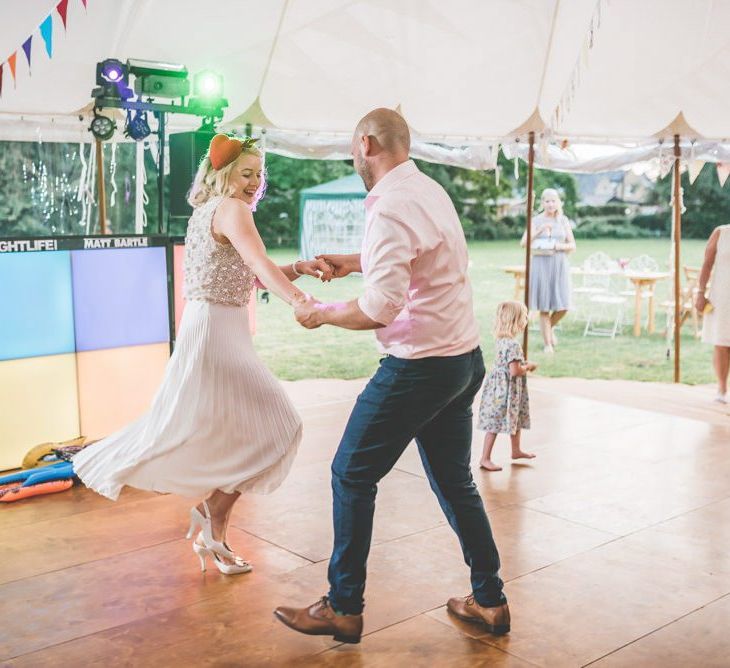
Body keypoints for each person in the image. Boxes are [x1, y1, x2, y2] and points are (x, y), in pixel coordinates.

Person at [273, 108, 509, 644]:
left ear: (367, 143)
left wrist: (320, 313)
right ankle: (490, 600)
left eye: (352, 147)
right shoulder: (427, 189)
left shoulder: (388, 207)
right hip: (462, 360)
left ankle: (342, 606)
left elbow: (379, 308)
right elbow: (418, 260)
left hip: (418, 367)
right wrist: (357, 261)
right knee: (456, 481)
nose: (351, 155)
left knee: (351, 474)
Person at [73, 135, 332, 574]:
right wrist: (300, 300)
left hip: (210, 325)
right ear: (224, 174)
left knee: (239, 433)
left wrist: (297, 267)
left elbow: (239, 271)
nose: (255, 182)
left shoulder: (206, 212)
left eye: (259, 173)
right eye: (247, 173)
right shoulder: (233, 209)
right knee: (278, 425)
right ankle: (212, 519)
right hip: (217, 333)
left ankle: (213, 530)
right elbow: (258, 266)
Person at [478, 302, 537, 471]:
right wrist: (528, 367)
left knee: (515, 416)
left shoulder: (501, 341)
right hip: (506, 390)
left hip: (499, 387)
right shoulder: (513, 345)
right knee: (496, 422)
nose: (526, 320)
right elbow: (515, 371)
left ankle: (516, 450)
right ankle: (485, 458)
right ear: (517, 321)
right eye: (524, 316)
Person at [521, 188, 576, 353]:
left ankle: (548, 328)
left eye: (554, 200)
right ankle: (548, 344)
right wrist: (539, 230)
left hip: (559, 266)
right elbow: (523, 243)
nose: (551, 204)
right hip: (541, 265)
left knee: (563, 305)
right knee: (544, 306)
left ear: (558, 202)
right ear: (542, 203)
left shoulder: (563, 221)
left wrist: (556, 246)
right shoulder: (536, 220)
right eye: (547, 201)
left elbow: (572, 245)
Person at [696, 224, 730, 403]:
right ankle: (722, 389)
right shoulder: (721, 233)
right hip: (722, 297)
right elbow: (707, 264)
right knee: (722, 342)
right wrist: (700, 293)